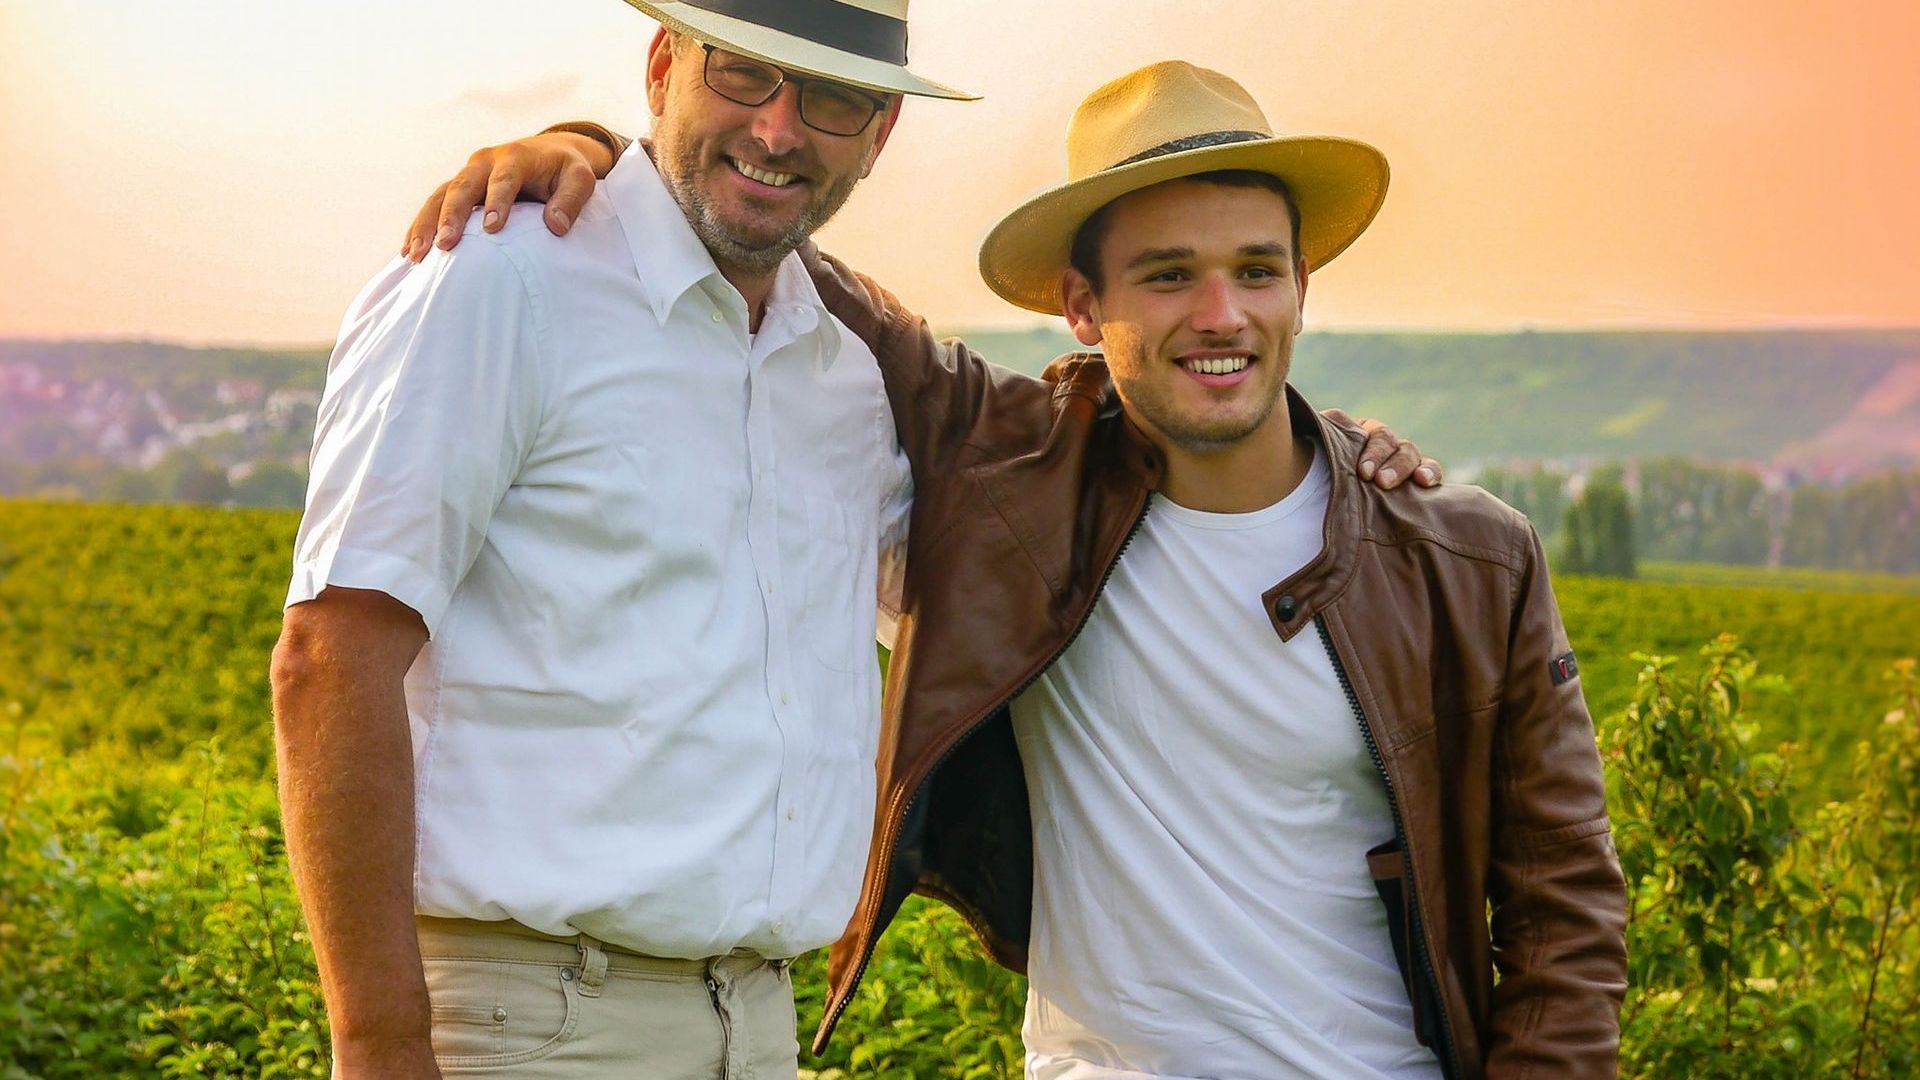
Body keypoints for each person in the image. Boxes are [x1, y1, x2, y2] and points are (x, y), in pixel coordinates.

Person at [272, 3, 1433, 1078]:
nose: (780, 130)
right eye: (745, 73)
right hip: (526, 1022)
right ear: (664, 66)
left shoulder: (845, 374)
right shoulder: (501, 280)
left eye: (831, 96)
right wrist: (378, 1046)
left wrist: (1319, 454)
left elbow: (1097, 478)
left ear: (880, 134)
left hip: (753, 1025)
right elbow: (331, 654)